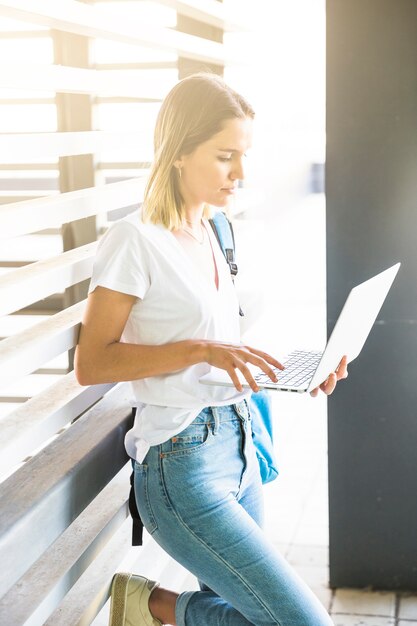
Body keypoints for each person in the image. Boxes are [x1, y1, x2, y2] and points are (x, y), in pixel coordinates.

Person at [75, 73, 348, 626]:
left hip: (240, 442)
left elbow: (221, 345)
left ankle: (144, 607)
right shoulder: (135, 240)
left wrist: (294, 370)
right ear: (178, 153)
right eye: (226, 156)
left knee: (255, 614)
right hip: (183, 462)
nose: (241, 174)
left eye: (244, 155)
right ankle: (155, 606)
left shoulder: (217, 229)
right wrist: (199, 349)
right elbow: (93, 363)